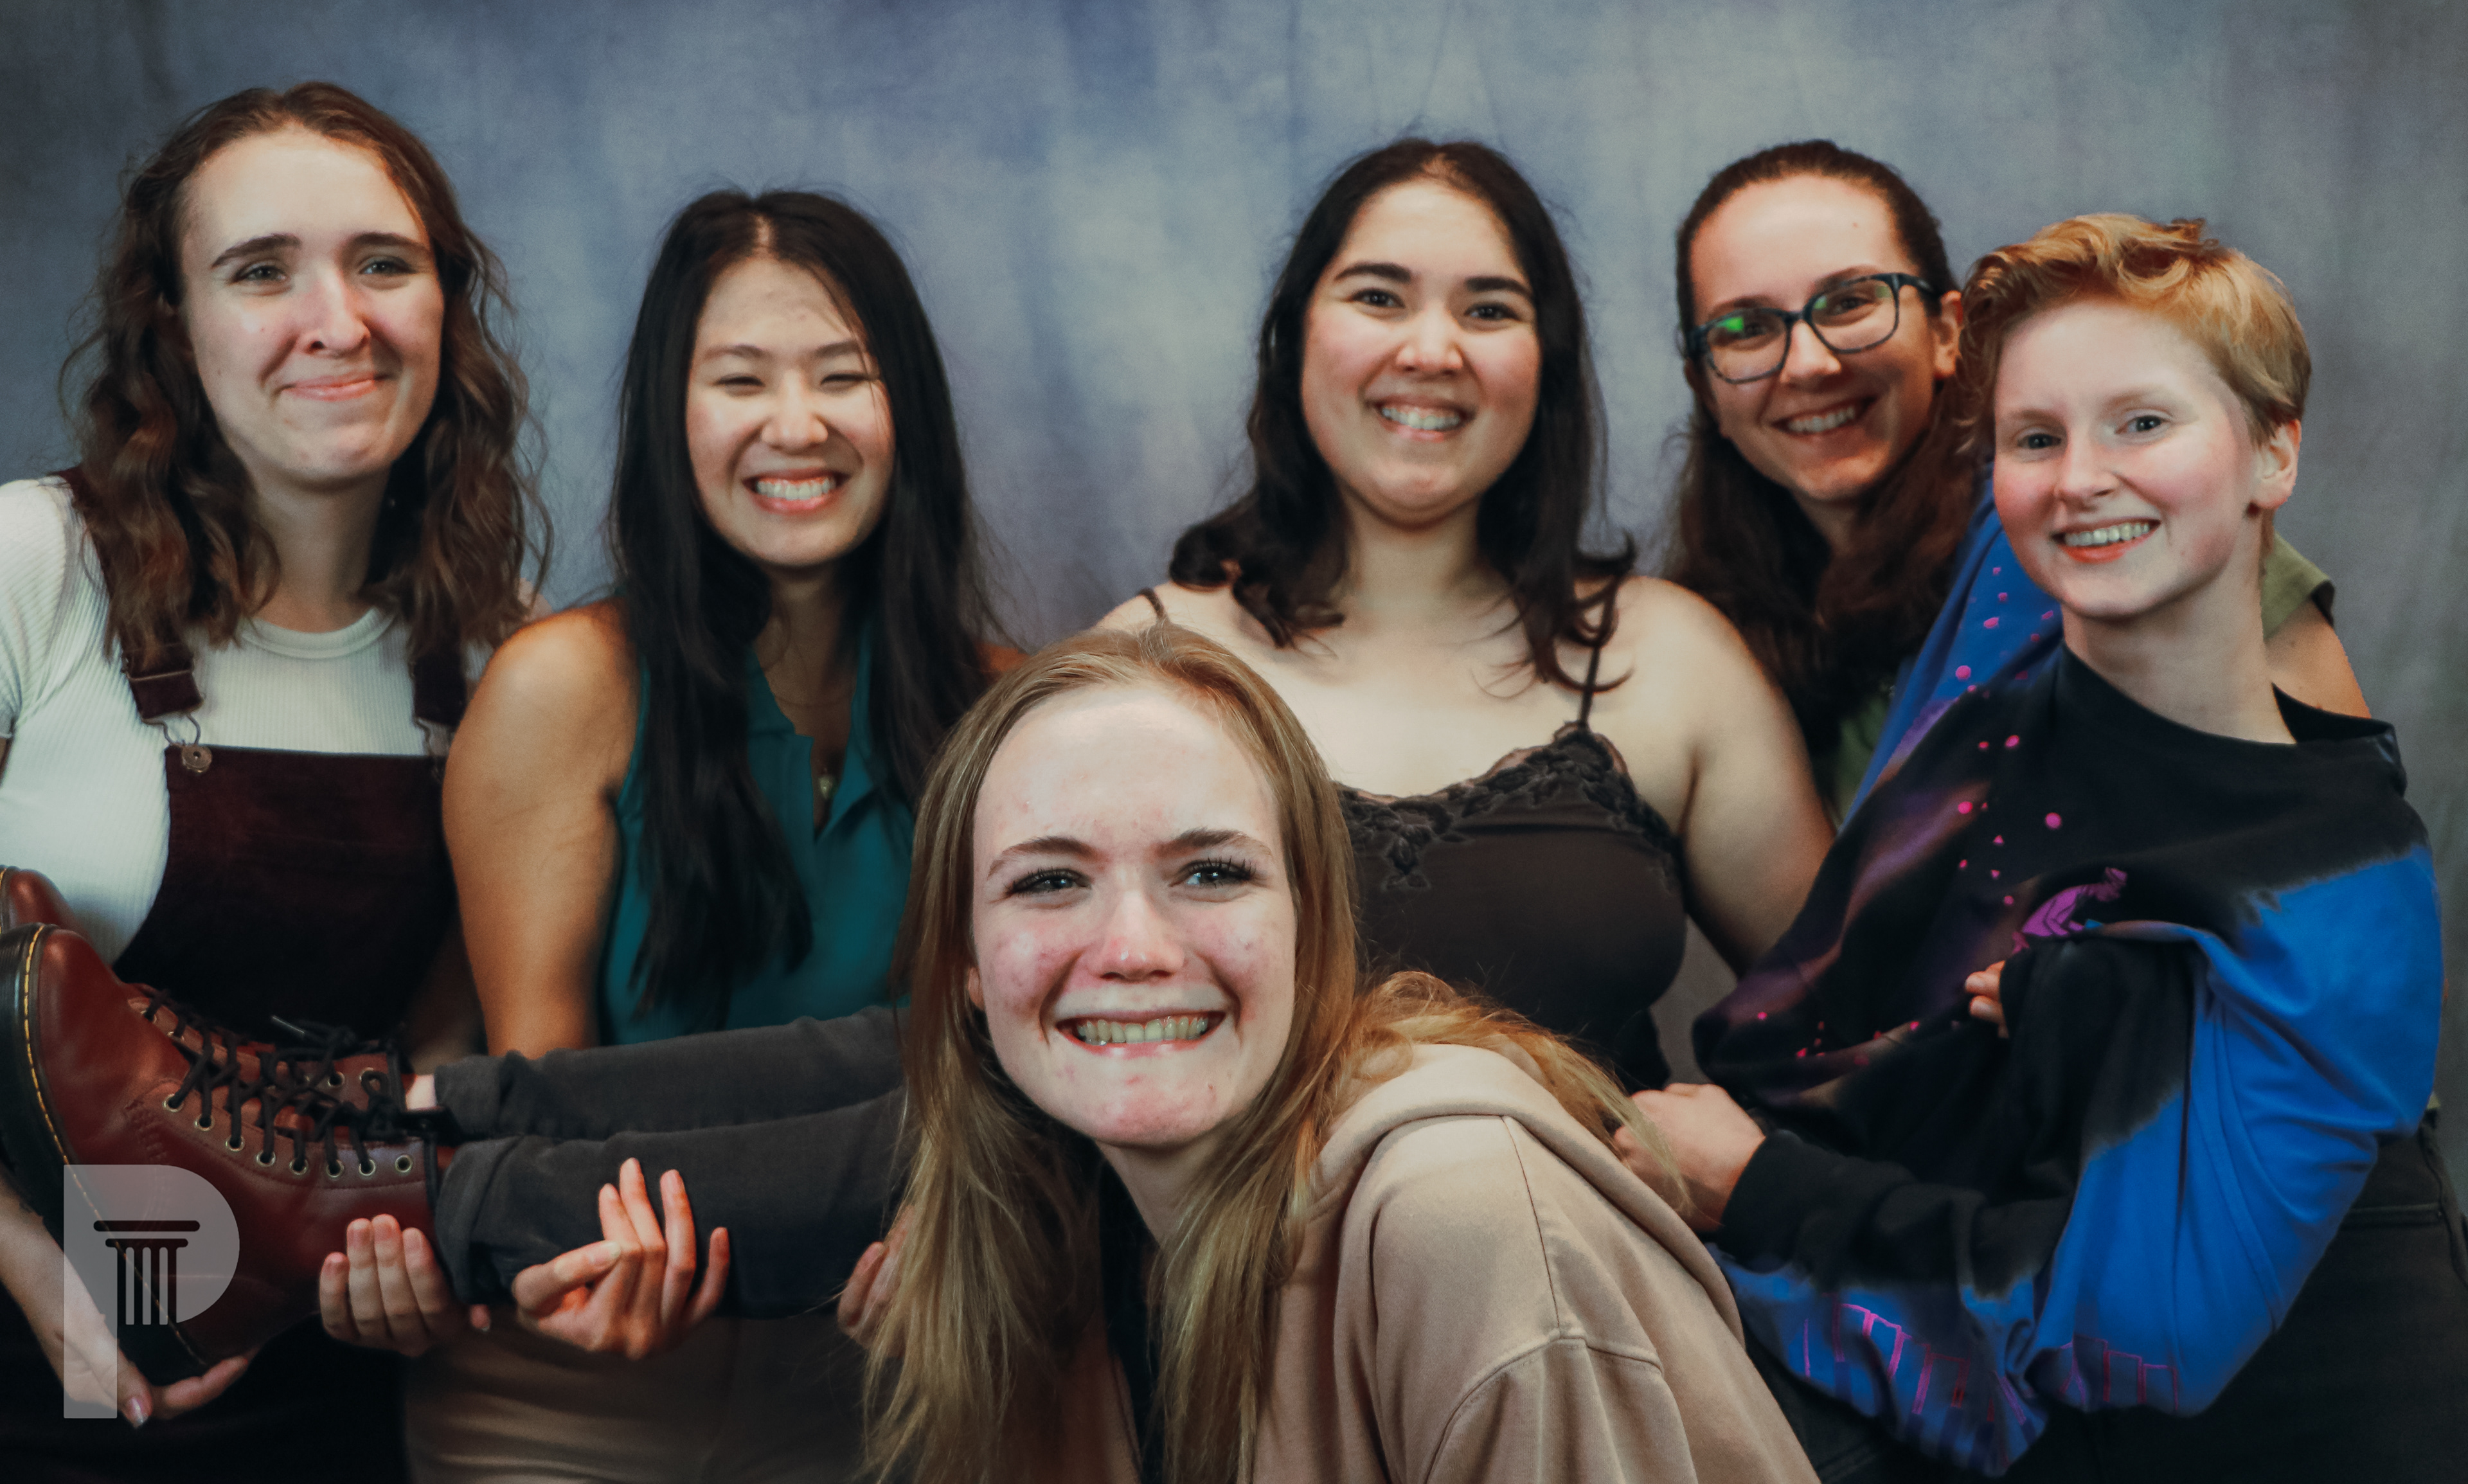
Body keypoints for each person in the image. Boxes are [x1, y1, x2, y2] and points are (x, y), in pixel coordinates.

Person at [12, 623, 1823, 1483]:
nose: (1132, 942)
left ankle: (298, 1204)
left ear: (1320, 922)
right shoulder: (1090, 1201)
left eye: (1211, 871)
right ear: (960, 951)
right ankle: (313, 1167)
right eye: (1048, 882)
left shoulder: (1458, 1208)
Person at [1634, 215, 2468, 1480]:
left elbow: (2133, 1342)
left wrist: (1761, 1189)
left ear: (2273, 452)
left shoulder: (2339, 873)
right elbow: (1816, 1046)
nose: (2080, 478)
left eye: (2143, 423)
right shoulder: (1974, 750)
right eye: (2036, 439)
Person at [382, 190, 1008, 1480]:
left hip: (890, 1375)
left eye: (845, 375)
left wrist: (968, 1241)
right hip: (578, 1380)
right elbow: (549, 1107)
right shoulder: (569, 686)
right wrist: (593, 1249)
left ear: (910, 411)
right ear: (674, 418)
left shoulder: (1011, 713)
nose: (798, 424)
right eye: (740, 379)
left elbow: (992, 1103)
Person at [0, 83, 543, 1480]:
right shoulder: (34, 567)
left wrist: (412, 1248)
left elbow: (450, 1042)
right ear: (173, 328)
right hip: (27, 1358)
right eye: (261, 271)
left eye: (384, 262)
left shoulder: (503, 652)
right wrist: (36, 1267)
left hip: (319, 1379)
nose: (337, 321)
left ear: (445, 304)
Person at [1108, 138, 1834, 1093]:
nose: (1431, 351)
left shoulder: (1675, 658)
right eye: (1379, 297)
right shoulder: (1142, 668)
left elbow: (1853, 1033)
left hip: (1601, 1197)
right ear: (1294, 338)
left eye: (1489, 309)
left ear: (1547, 364)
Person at [1661, 141, 2365, 817]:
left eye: (1850, 302)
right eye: (1745, 328)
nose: (1808, 365)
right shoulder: (1703, 649)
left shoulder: (2106, 531)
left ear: (1948, 333)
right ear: (1704, 386)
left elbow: (2345, 832)